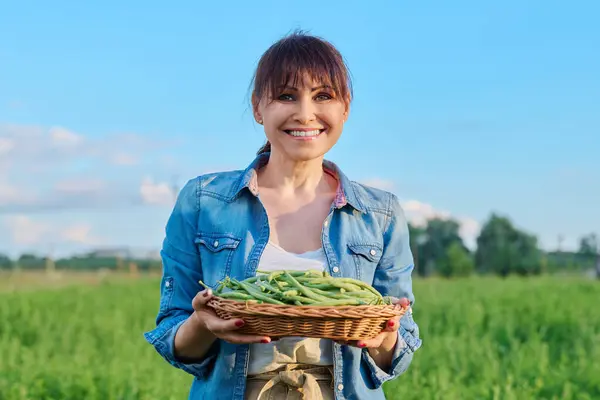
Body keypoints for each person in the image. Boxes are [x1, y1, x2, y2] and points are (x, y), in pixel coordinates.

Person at [144, 30, 422, 400]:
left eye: (323, 96)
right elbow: (173, 338)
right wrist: (203, 323)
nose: (305, 113)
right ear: (258, 107)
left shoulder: (380, 214)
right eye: (286, 96)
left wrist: (383, 336)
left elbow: (397, 351)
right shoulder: (202, 201)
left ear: (345, 108)